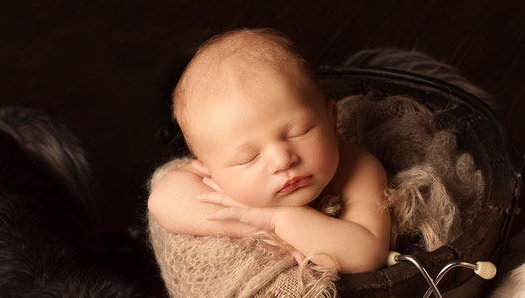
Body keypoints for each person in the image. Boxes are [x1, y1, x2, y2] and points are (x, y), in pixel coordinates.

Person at [147, 28, 390, 273]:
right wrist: (252, 224)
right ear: (209, 170)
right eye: (248, 158)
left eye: (298, 132)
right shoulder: (219, 173)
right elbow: (162, 201)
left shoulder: (357, 167)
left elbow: (367, 254)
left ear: (332, 119)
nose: (281, 160)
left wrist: (278, 220)